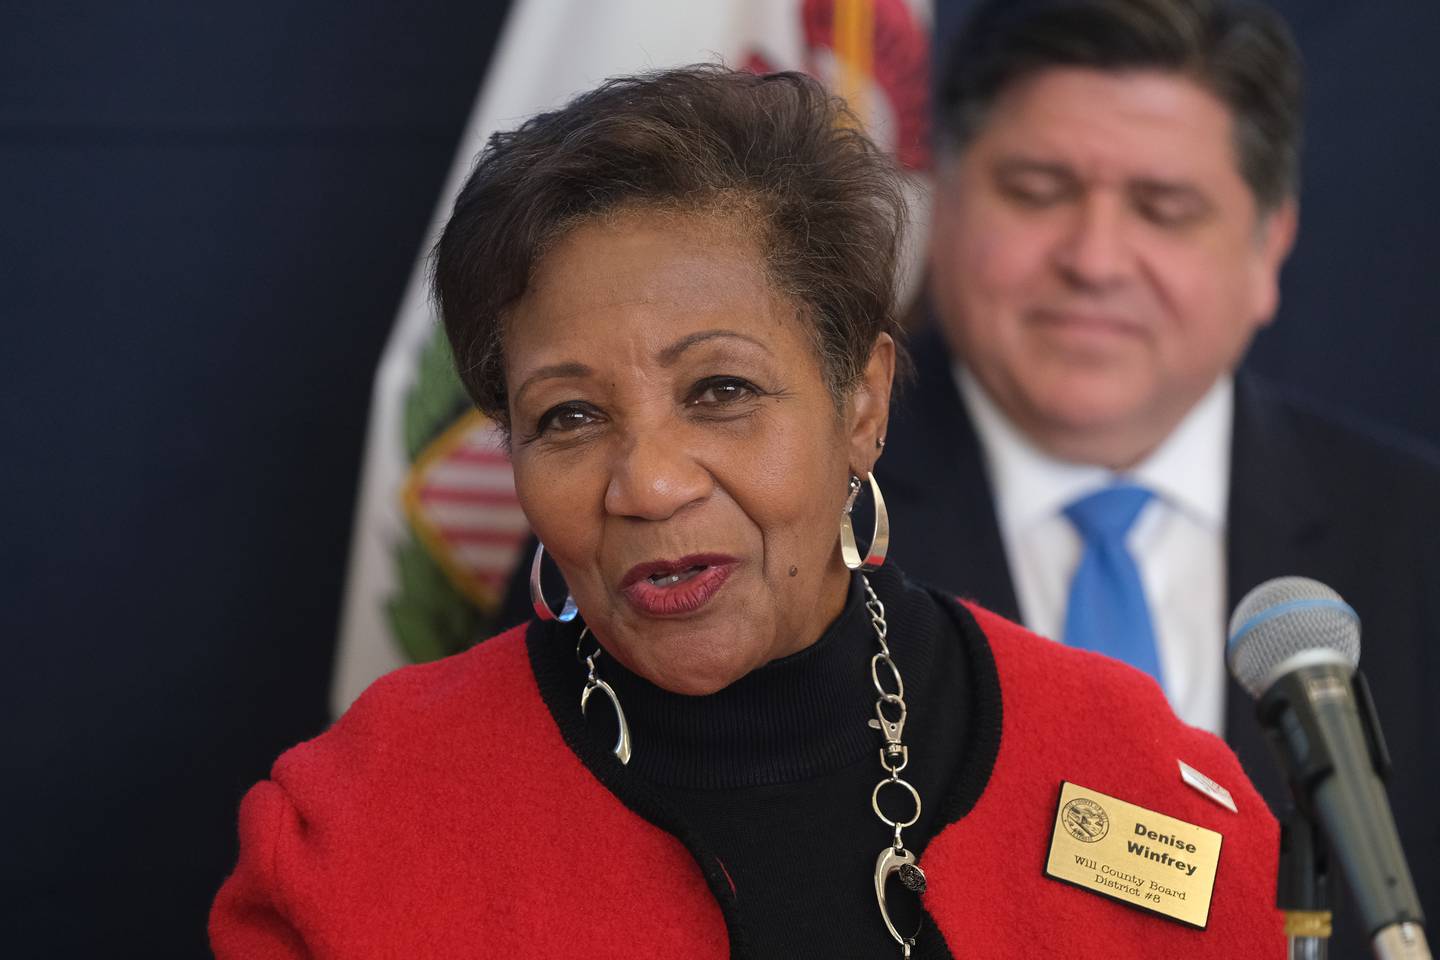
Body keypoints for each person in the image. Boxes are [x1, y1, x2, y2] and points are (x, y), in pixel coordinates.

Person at [210, 66, 1284, 958]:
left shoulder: (1136, 776)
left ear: (860, 403)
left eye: (719, 392)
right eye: (570, 416)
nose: (650, 483)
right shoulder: (364, 822)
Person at [885, 0, 1440, 953]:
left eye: (1164, 209)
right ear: (943, 202)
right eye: (1037, 189)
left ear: (1269, 249)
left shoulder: (1418, 537)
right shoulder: (794, 526)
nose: (1095, 260)